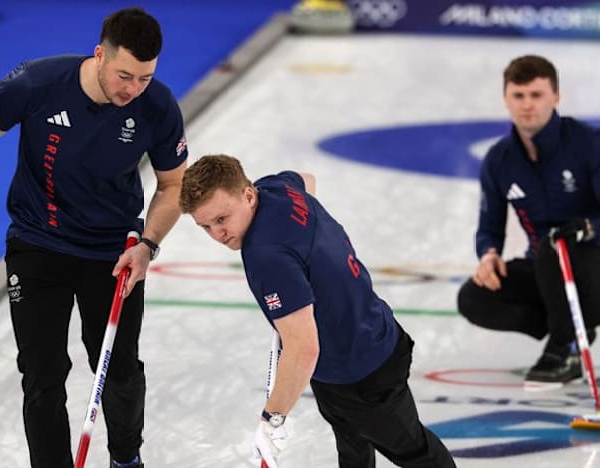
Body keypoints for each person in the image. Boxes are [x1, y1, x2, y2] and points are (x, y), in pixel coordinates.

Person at [0, 7, 188, 468]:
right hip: (38, 245)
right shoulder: (37, 83)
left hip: (114, 253)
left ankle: (127, 459)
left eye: (144, 78)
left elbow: (172, 185)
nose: (133, 89)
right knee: (42, 378)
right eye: (125, 76)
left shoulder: (158, 106)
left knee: (120, 371)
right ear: (100, 55)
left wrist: (148, 245)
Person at [179, 154, 455, 468]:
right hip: (363, 336)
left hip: (361, 371)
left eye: (222, 219)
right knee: (352, 449)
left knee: (416, 454)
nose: (217, 234)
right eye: (205, 227)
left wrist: (273, 418)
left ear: (248, 195)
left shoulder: (267, 257)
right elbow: (306, 180)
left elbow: (303, 349)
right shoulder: (277, 189)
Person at [456, 55, 600, 386]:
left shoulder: (595, 144)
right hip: (546, 271)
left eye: (536, 95)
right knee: (474, 298)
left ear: (556, 96)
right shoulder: (499, 160)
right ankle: (568, 329)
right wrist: (489, 255)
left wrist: (587, 229)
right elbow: (489, 226)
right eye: (519, 95)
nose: (527, 105)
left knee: (553, 248)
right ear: (506, 99)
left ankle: (565, 348)